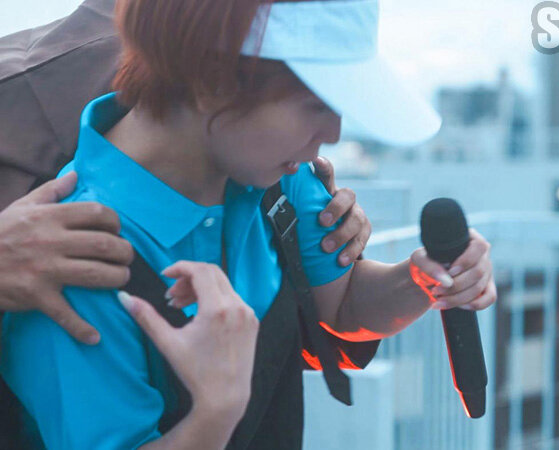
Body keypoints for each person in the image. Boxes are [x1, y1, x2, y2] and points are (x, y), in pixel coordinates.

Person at [1, 0, 498, 449]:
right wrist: (216, 412)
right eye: (316, 104)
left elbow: (342, 305)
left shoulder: (274, 176)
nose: (334, 132)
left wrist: (423, 280)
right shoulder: (70, 258)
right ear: (212, 82)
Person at [0, 0, 372, 346]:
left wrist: (323, 243)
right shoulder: (28, 89)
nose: (332, 133)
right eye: (315, 106)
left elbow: (334, 314)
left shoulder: (256, 50)